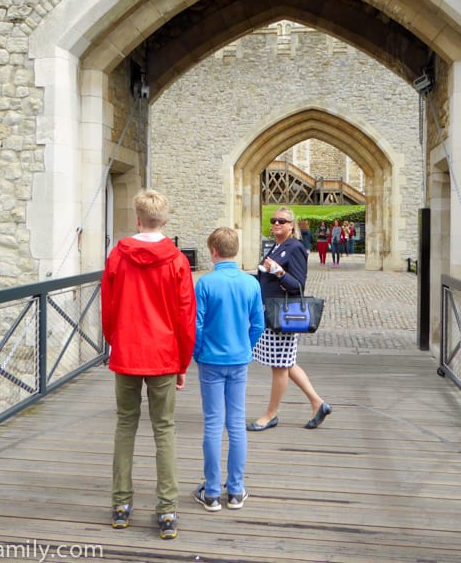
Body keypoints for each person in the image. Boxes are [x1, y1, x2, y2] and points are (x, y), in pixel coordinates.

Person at [101, 188, 196, 540]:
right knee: (164, 429)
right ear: (165, 219)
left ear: (137, 218)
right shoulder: (177, 261)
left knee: (125, 425)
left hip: (128, 350)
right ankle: (167, 510)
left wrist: (116, 342)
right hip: (164, 353)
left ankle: (121, 505)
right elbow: (186, 315)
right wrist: (182, 362)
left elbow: (108, 306)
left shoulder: (118, 256)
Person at [191, 228, 265, 512]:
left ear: (213, 251)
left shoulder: (205, 283)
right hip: (238, 359)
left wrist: (197, 352)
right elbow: (258, 324)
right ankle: (235, 490)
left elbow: (197, 324)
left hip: (211, 359)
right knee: (236, 423)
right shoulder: (251, 283)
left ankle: (211, 491)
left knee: (213, 423)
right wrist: (246, 346)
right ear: (236, 250)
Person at [247, 207, 332, 432]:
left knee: (280, 366)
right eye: (274, 220)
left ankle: (271, 414)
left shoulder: (295, 248)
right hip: (271, 314)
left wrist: (279, 272)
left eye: (282, 221)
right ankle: (318, 403)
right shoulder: (276, 246)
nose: (276, 223)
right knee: (287, 363)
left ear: (291, 225)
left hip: (283, 316)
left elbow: (298, 286)